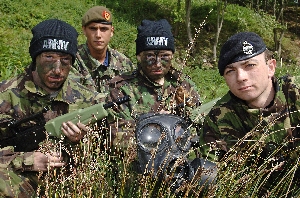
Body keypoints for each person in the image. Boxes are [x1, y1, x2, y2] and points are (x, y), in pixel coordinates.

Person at [0, 19, 104, 197]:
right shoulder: (7, 93)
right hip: (17, 176)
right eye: (49, 58)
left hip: (68, 180)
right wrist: (27, 160)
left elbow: (101, 153)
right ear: (36, 57)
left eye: (65, 60)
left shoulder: (86, 98)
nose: (57, 70)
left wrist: (80, 141)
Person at [200, 32, 300, 195]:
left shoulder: (296, 96)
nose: (241, 77)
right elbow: (207, 172)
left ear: (271, 67)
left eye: (250, 65)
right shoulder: (218, 118)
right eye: (230, 71)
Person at [70, 5, 134, 93]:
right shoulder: (72, 61)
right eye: (93, 29)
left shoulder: (124, 63)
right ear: (84, 30)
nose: (98, 35)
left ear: (111, 32)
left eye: (104, 29)